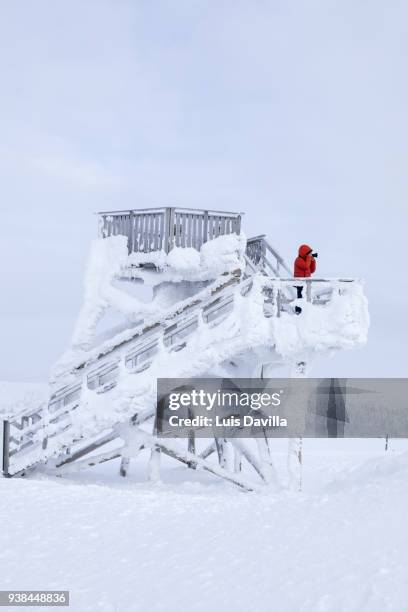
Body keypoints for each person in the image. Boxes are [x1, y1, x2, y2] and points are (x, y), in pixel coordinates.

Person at [293, 244, 317, 313]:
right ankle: (298, 311)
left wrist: (313, 261)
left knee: (307, 296)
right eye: (309, 253)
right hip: (300, 282)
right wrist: (309, 258)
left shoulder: (306, 260)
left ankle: (306, 311)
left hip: (306, 282)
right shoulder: (298, 260)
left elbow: (312, 270)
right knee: (300, 297)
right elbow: (306, 266)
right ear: (304, 253)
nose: (310, 255)